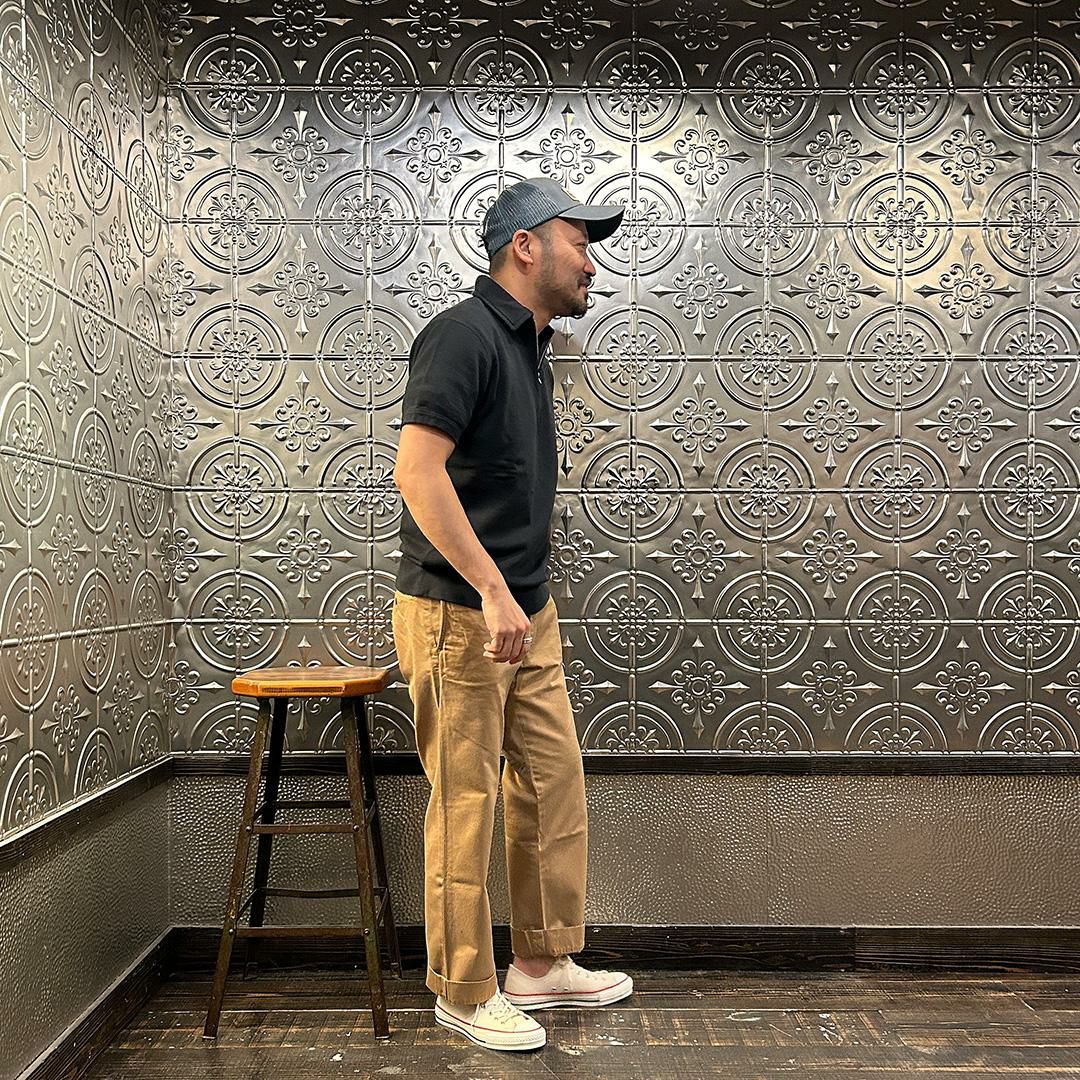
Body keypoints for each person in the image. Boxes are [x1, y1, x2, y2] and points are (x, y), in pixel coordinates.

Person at [391, 178, 633, 1052]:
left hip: (526, 607)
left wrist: (520, 595)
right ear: (526, 246)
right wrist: (493, 590)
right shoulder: (462, 335)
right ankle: (463, 989)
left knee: (551, 782)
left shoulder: (530, 345)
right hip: (461, 611)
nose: (591, 262)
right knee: (468, 801)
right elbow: (416, 473)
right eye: (580, 241)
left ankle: (539, 960)